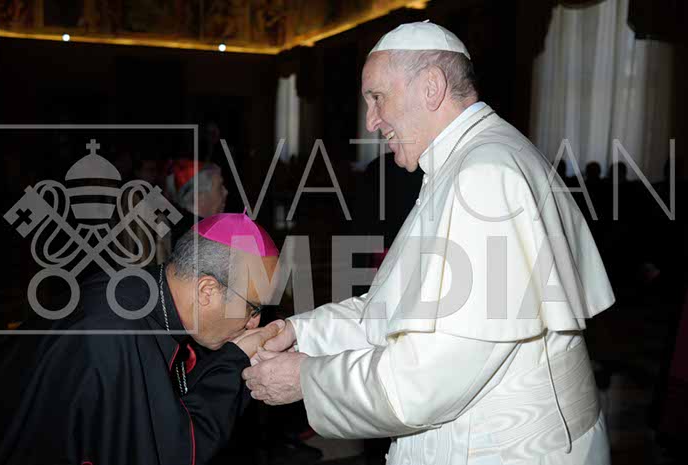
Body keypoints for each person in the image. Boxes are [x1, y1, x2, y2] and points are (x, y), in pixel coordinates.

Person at [243, 21, 616, 465]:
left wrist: (307, 378)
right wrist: (298, 333)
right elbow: (392, 310)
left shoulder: (483, 175)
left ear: (431, 88)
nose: (371, 121)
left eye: (377, 98)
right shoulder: (470, 159)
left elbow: (427, 379)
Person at [0, 213, 283, 465]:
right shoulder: (120, 335)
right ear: (207, 291)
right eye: (253, 308)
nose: (254, 323)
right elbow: (169, 453)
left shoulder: (135, 289)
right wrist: (234, 362)